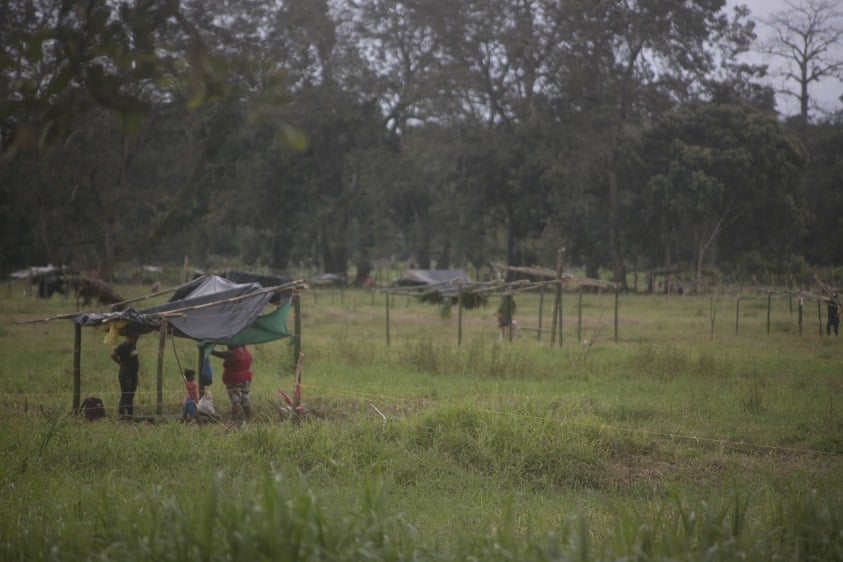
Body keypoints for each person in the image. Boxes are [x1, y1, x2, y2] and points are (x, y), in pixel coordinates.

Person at [210, 344, 253, 422]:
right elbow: (250, 361)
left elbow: (218, 354)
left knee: (235, 399)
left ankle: (233, 420)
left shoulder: (231, 353)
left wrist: (207, 349)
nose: (227, 345)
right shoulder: (246, 351)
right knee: (245, 398)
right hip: (246, 378)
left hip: (234, 380)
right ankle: (248, 419)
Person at [111, 332, 140, 419]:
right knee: (125, 393)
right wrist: (120, 363)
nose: (136, 341)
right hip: (126, 374)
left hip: (133, 374)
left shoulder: (133, 346)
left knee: (131, 394)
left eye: (137, 339)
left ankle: (130, 413)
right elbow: (113, 354)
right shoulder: (122, 346)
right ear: (129, 338)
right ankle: (122, 414)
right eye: (135, 339)